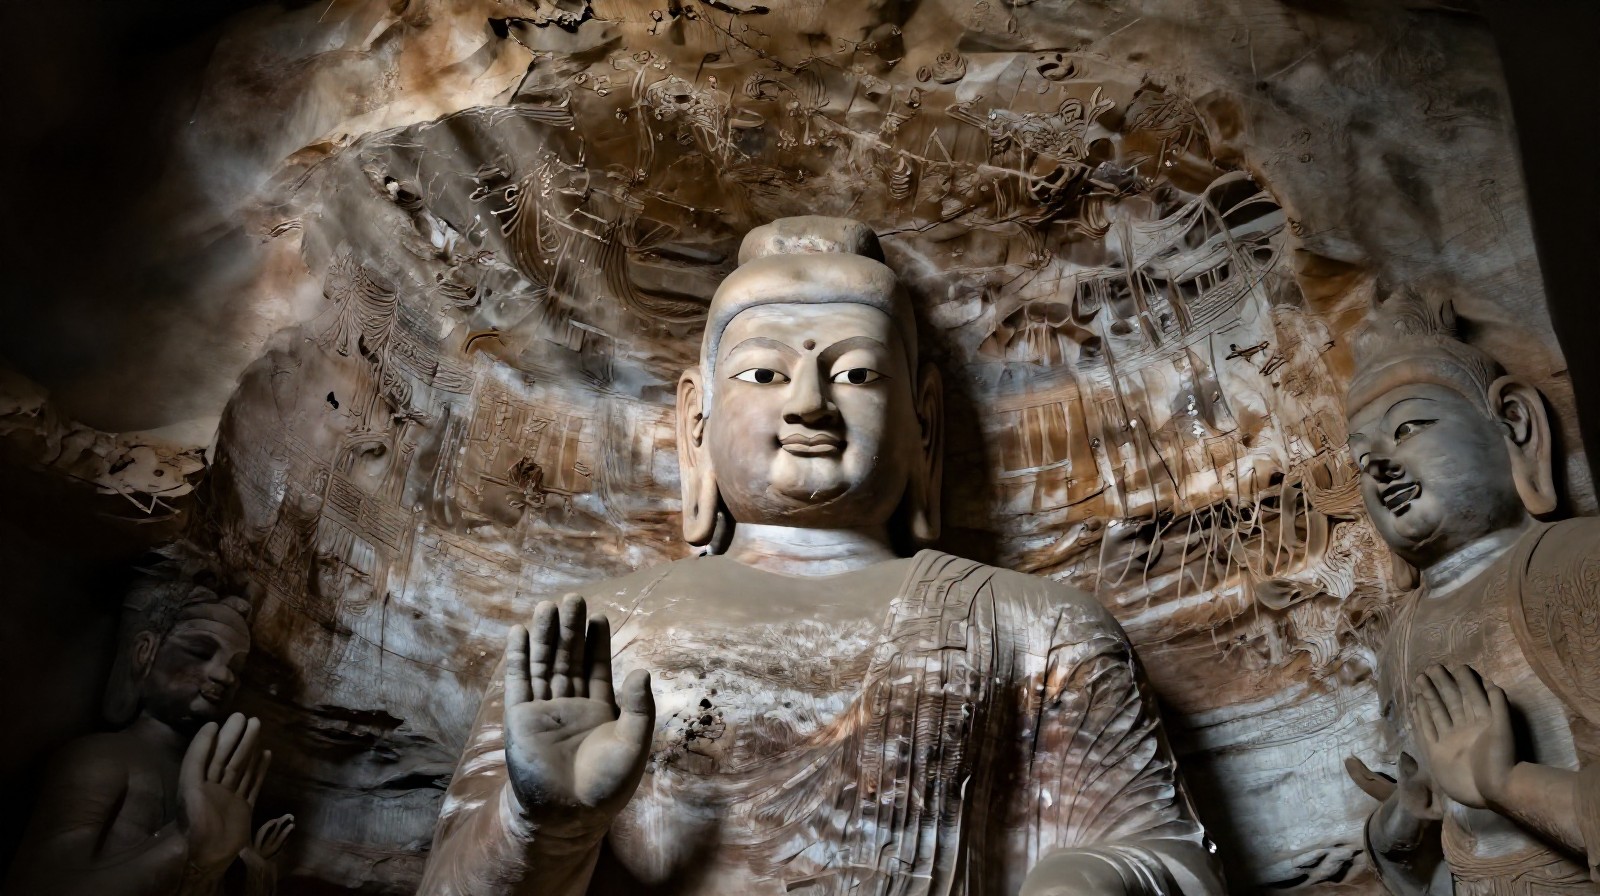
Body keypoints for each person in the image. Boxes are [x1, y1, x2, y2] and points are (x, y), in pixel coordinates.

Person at [418, 217, 1223, 895]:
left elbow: (1169, 862)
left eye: (855, 372)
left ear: (925, 422)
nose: (808, 404)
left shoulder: (1036, 627)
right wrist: (541, 829)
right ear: (696, 422)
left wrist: (1084, 881)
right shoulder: (589, 637)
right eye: (765, 372)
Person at [1343, 290, 1600, 894]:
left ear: (1513, 422)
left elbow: (1483, 787)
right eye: (1360, 459)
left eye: (1408, 427)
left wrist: (1504, 781)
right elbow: (1449, 837)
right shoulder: (1401, 639)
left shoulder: (1574, 568)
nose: (1378, 465)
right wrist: (1404, 817)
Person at [5, 557, 291, 896]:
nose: (224, 675)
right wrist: (183, 846)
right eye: (200, 652)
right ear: (146, 651)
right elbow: (38, 887)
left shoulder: (219, 791)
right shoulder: (101, 759)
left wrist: (253, 874)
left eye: (236, 667)